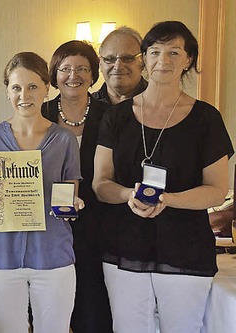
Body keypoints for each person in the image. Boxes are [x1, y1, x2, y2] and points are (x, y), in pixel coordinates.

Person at [92, 21, 233, 333]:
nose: (163, 60)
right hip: (124, 248)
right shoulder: (116, 117)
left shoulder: (206, 118)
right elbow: (101, 184)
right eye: (154, 52)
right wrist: (129, 195)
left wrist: (168, 200)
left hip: (186, 249)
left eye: (174, 52)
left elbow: (217, 190)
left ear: (188, 60)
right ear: (145, 58)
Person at [0, 52, 83, 333]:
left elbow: (70, 194)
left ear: (46, 88)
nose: (24, 95)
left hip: (53, 256)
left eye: (33, 86)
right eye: (17, 87)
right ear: (7, 90)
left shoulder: (65, 139)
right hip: (2, 258)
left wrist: (72, 204)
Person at [42, 41, 112, 333]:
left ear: (94, 74)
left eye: (82, 68)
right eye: (65, 68)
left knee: (93, 305)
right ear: (54, 74)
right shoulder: (40, 113)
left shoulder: (111, 114)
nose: (74, 75)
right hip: (48, 225)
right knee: (51, 308)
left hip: (99, 224)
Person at [92, 26, 148, 106]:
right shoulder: (86, 107)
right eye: (110, 59)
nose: (118, 67)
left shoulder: (162, 104)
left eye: (127, 58)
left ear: (142, 62)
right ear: (100, 64)